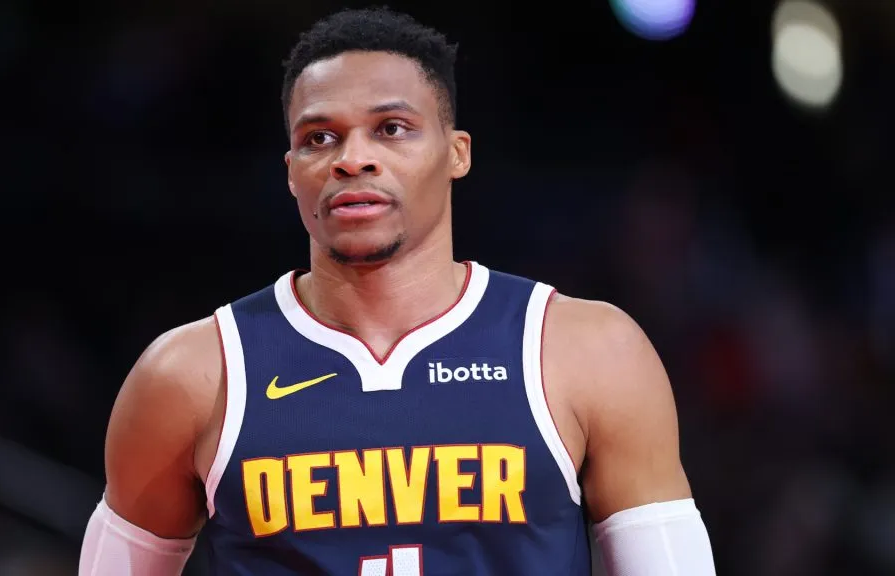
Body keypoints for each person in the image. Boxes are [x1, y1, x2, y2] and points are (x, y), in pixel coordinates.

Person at [79, 7, 716, 576]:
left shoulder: (587, 350)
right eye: (318, 138)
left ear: (457, 152)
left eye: (391, 129)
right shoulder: (190, 374)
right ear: (291, 172)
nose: (352, 158)